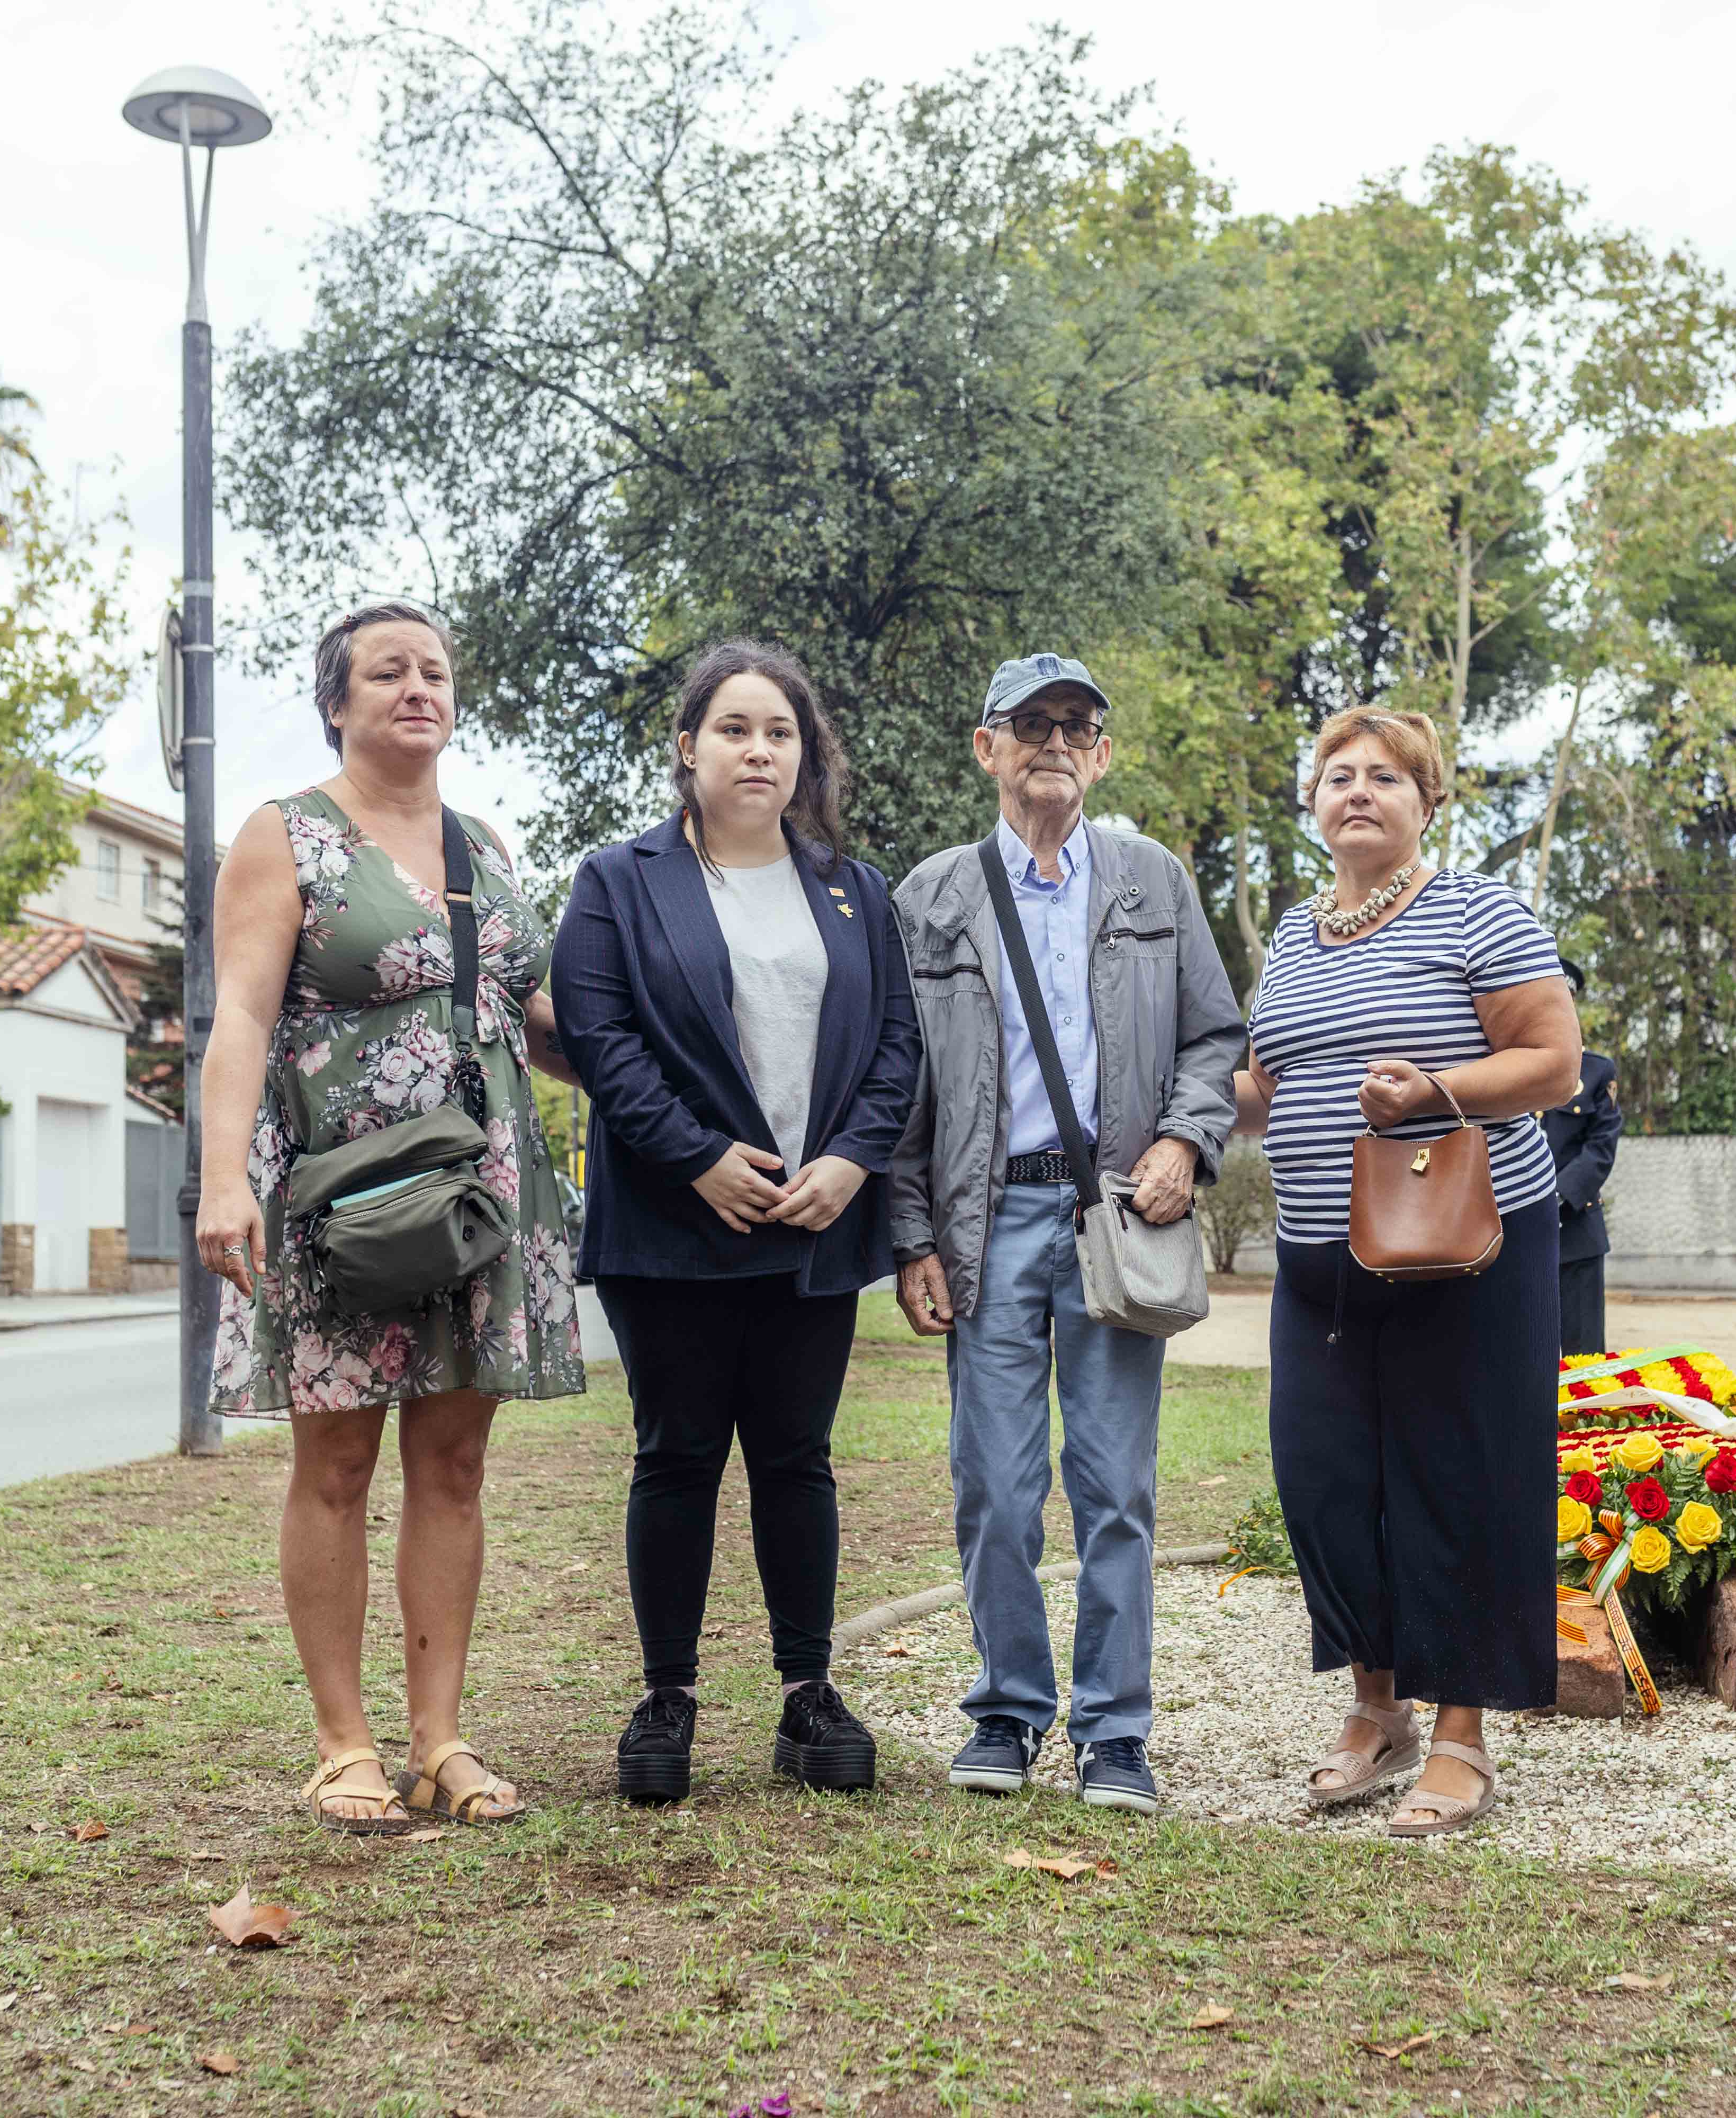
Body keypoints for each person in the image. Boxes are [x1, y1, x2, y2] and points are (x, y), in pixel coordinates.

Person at [196, 600, 588, 1836]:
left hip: (482, 1192)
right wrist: (219, 1179)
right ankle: (343, 1741)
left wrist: (681, 1077)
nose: (418, 687)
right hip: (341, 1191)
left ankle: (440, 1738)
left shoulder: (485, 843)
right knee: (339, 1460)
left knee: (456, 1463)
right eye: (388, 672)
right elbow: (244, 1021)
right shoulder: (285, 836)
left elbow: (532, 1021)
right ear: (337, 701)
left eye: (435, 671)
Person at [551, 639, 921, 1807]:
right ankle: (667, 1695)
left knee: (798, 1459)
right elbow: (600, 1040)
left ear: (803, 756)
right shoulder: (619, 879)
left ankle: (808, 1695)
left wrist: (853, 1164)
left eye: (779, 732)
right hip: (670, 1226)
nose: (758, 749)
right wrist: (700, 1157)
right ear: (687, 748)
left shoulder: (854, 888)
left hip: (811, 1227)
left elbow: (898, 1045)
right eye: (734, 728)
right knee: (676, 1456)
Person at [888, 652, 1243, 1816]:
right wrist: (911, 1233)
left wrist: (1187, 1142)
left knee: (1115, 1487)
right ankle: (1005, 1709)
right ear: (986, 746)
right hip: (981, 1219)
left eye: (1075, 724)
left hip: (1114, 1214)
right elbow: (897, 1087)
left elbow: (1213, 1036)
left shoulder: (1154, 881)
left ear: (1101, 753)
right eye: (1028, 722)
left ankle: (1114, 1732)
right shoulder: (930, 895)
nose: (1053, 740)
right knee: (992, 1483)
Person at [1235, 706, 1580, 1839]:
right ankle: (1374, 1709)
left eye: (1387, 776)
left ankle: (1463, 1733)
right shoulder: (1292, 932)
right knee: (1328, 1478)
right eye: (1339, 775)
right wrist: (1171, 1104)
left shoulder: (1476, 908)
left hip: (1465, 1247)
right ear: (1313, 806)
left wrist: (1435, 1089)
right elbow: (1265, 1081)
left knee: (1458, 1477)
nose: (1360, 791)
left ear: (1428, 801)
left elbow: (1553, 1061)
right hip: (1322, 1254)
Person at [1539, 961, 1623, 1356]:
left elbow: (1601, 1147)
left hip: (1575, 1231)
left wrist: (1555, 1196)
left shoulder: (1596, 1071)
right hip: (1509, 1231)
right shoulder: (1505, 1064)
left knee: (1584, 1357)